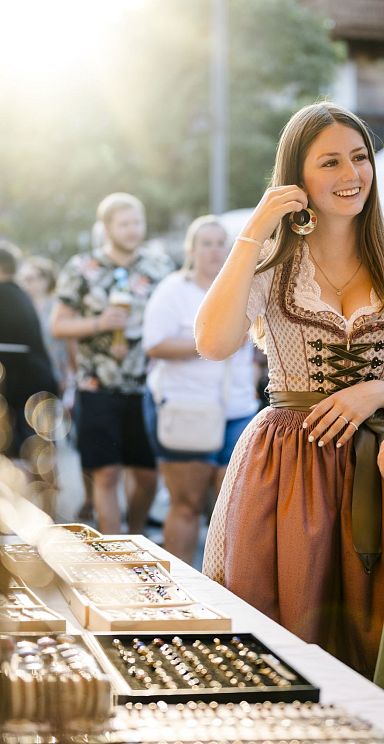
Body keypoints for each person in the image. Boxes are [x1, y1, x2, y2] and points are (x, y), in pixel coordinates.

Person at [195, 102, 384, 679]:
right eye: (330, 162)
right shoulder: (273, 263)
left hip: (378, 466)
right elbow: (212, 340)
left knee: (366, 637)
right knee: (280, 642)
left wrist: (375, 391)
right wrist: (254, 229)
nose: (351, 175)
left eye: (360, 158)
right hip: (288, 467)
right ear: (296, 180)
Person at [51, 193, 173, 534]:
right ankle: (114, 549)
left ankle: (136, 539)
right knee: (106, 473)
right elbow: (58, 325)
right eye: (125, 223)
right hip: (97, 386)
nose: (133, 230)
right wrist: (99, 323)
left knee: (147, 476)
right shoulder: (81, 267)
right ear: (106, 228)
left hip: (145, 386)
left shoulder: (159, 267)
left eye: (137, 222)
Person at [143, 215, 258, 564]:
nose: (214, 250)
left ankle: (226, 595)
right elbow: (155, 345)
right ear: (191, 249)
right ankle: (179, 592)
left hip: (238, 409)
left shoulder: (246, 287)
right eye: (205, 243)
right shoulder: (173, 290)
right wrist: (211, 342)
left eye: (220, 242)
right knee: (187, 504)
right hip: (186, 408)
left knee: (232, 511)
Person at [0, 241, 58, 513]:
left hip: (18, 388)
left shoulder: (6, 295)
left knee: (19, 456)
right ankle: (46, 511)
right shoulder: (21, 295)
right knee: (39, 455)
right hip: (38, 384)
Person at [18, 255, 75, 396]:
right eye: (27, 279)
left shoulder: (58, 305)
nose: (33, 283)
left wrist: (68, 376)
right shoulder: (21, 306)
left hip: (56, 372)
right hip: (28, 374)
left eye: (38, 277)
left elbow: (69, 342)